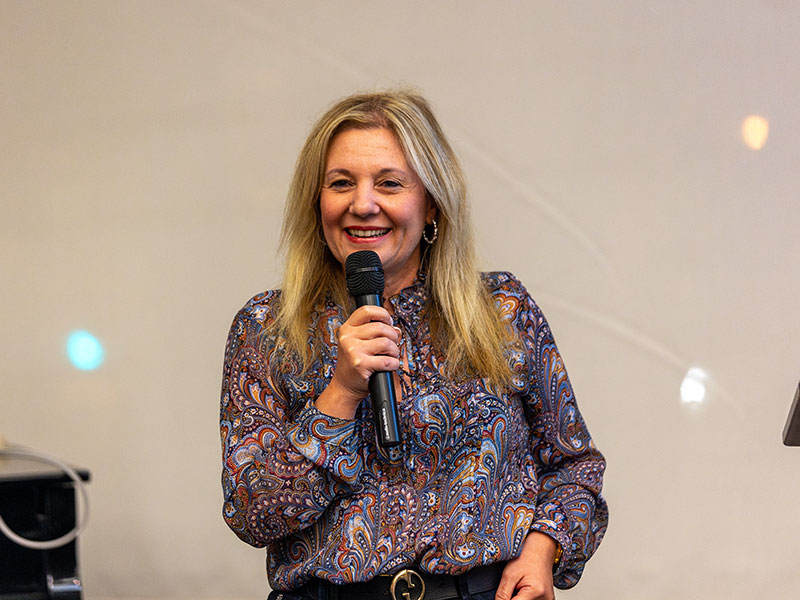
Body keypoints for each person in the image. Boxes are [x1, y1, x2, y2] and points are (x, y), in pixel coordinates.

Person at [220, 90, 608, 600]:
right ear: (316, 203)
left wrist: (542, 549)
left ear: (431, 206)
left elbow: (574, 467)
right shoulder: (267, 328)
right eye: (341, 183)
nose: (363, 204)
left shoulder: (502, 311)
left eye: (389, 183)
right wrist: (340, 394)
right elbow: (252, 514)